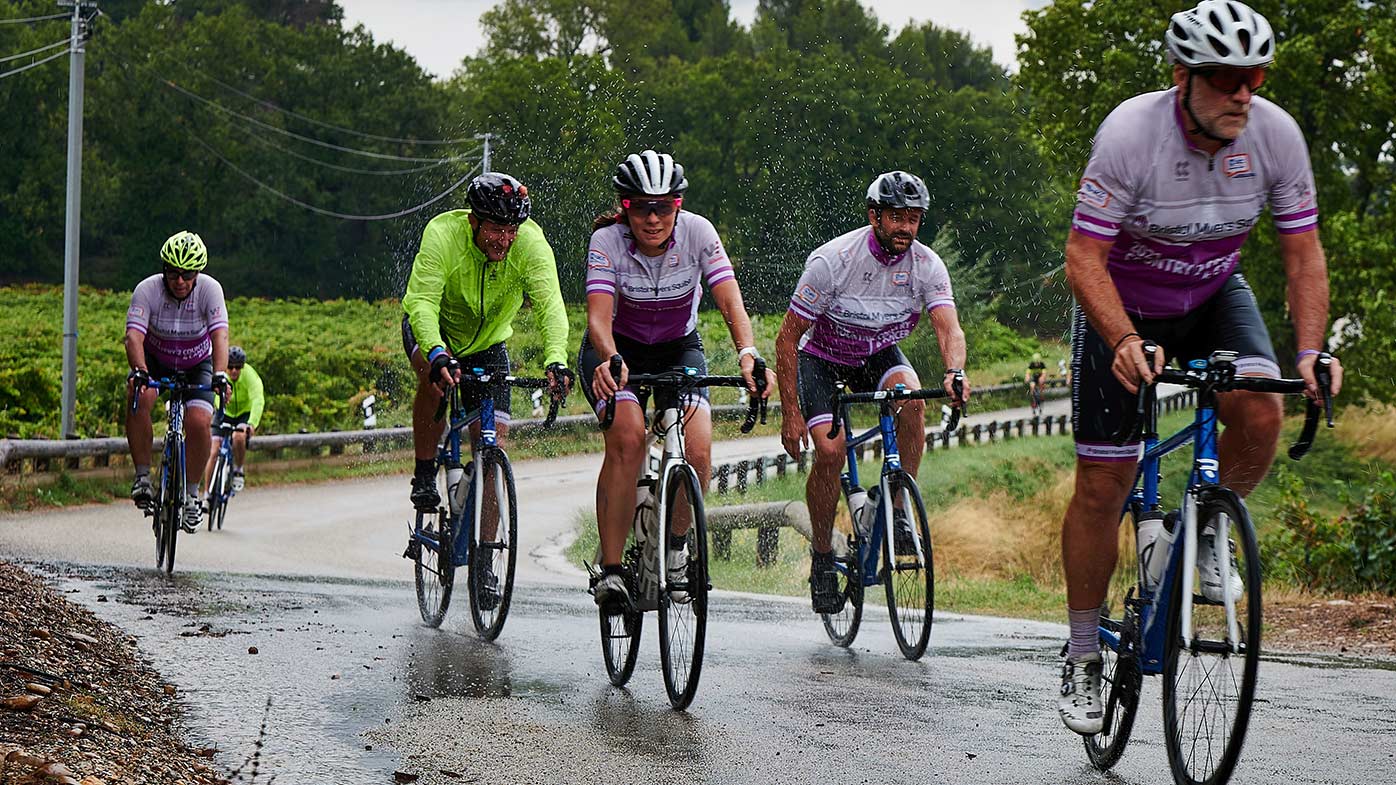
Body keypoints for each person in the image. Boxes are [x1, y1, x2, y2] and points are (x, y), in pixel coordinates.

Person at [1057, 0, 1343, 735]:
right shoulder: (1129, 135)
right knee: (1103, 482)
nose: (1243, 93)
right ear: (1183, 76)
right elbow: (1083, 256)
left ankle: (1203, 533)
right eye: (1224, 78)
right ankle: (1084, 653)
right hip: (1125, 300)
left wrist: (1311, 351)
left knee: (1262, 404)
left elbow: (1302, 253)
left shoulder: (1275, 135)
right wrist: (1121, 338)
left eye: (1253, 77)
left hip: (1214, 290)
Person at [582, 149, 773, 611]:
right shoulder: (607, 242)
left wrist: (748, 353)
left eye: (663, 207)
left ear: (678, 206)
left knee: (699, 448)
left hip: (677, 347)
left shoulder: (699, 234)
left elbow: (731, 304)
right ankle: (611, 572)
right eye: (640, 208)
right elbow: (598, 319)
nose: (652, 218)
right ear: (624, 208)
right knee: (627, 438)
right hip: (616, 349)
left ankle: (675, 549)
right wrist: (610, 358)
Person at [775, 171, 970, 614]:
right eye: (896, 217)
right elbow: (787, 339)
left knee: (913, 402)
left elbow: (948, 327)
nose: (905, 227)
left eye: (914, 218)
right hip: (822, 357)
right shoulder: (833, 261)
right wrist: (790, 412)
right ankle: (823, 555)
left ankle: (898, 509)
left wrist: (954, 371)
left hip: (877, 353)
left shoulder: (927, 265)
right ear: (874, 216)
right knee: (829, 451)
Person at [401, 172, 573, 607]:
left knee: (495, 449)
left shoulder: (529, 245)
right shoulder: (443, 235)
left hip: (489, 345)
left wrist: (556, 359)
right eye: (496, 229)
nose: (504, 239)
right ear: (474, 222)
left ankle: (483, 558)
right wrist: (437, 352)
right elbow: (421, 303)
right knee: (433, 381)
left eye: (511, 229)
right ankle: (425, 470)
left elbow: (551, 305)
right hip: (434, 332)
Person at [125, 231, 230, 532]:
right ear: (164, 270)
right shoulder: (147, 290)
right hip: (155, 359)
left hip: (198, 363)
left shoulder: (210, 290)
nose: (179, 281)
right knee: (138, 393)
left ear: (197, 273)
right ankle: (143, 477)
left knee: (199, 422)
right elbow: (133, 336)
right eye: (173, 272)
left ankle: (192, 495)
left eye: (187, 274)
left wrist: (221, 374)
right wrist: (140, 370)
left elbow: (219, 336)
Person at [202, 345, 263, 498]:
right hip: (224, 410)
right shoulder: (221, 375)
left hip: (243, 414)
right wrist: (219, 408)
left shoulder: (250, 375)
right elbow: (215, 395)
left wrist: (252, 423)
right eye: (230, 367)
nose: (234, 371)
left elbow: (257, 399)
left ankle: (238, 469)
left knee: (238, 437)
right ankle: (206, 494)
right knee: (214, 450)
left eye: (238, 367)